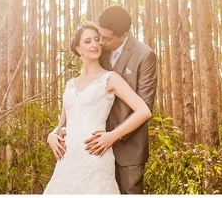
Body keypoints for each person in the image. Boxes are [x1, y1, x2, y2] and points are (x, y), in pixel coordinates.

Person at [44, 21, 151, 195]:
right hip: (68, 159)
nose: (94, 44)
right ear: (78, 49)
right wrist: (52, 135)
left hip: (95, 156)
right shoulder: (70, 84)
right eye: (88, 41)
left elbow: (143, 111)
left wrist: (112, 136)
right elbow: (63, 123)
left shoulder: (110, 78)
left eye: (96, 39)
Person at [87, 6, 157, 194]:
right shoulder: (98, 51)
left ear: (124, 35)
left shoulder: (145, 55)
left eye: (106, 38)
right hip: (95, 145)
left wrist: (113, 136)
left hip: (129, 148)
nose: (100, 42)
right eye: (99, 35)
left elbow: (145, 106)